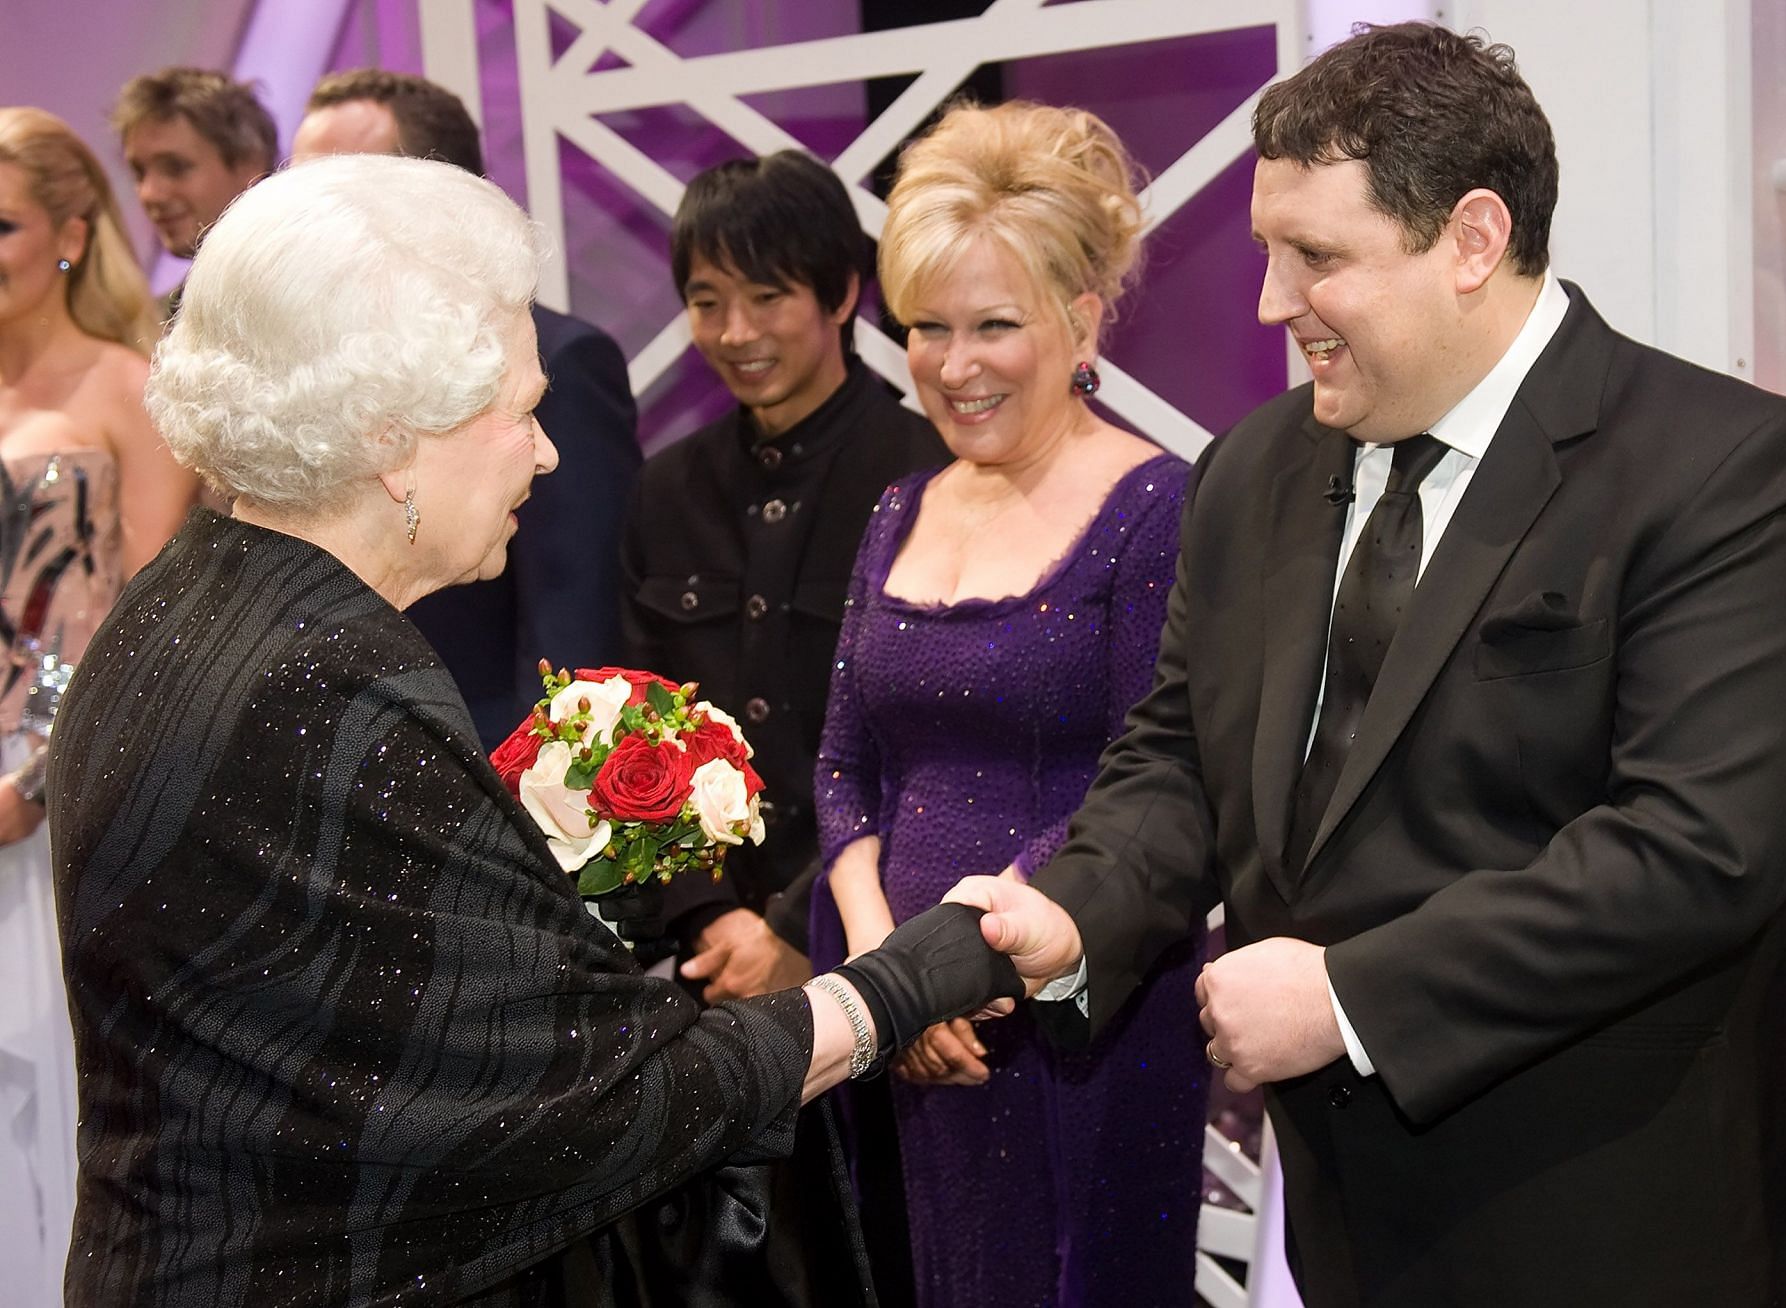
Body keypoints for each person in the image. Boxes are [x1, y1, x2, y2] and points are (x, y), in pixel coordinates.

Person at [952, 23, 1786, 1307]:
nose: (1271, 301)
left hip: (1627, 1233)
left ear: (1473, 241)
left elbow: (1700, 846)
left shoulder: (1720, 467)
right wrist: (1080, 913)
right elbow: (1182, 761)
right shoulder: (1252, 470)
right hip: (1355, 1239)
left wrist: (1351, 998)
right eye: (1272, 251)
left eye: (1316, 257)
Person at [46, 152, 1019, 1307]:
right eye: (523, 410)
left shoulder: (181, 599)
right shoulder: (333, 684)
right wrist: (910, 980)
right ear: (395, 435)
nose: (550, 452)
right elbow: (604, 1101)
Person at [815, 101, 1209, 1307]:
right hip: (893, 1022)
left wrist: (952, 972)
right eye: (928, 328)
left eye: (994, 325)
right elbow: (844, 771)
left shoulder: (1159, 507)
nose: (954, 364)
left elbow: (1152, 782)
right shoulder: (899, 508)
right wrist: (889, 974)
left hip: (1072, 1021)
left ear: (1081, 318)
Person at [619, 147, 945, 1306]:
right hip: (707, 979)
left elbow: (920, 752)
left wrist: (793, 928)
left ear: (843, 294)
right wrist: (710, 920)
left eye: (766, 295)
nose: (734, 330)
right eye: (707, 300)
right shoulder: (665, 489)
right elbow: (630, 735)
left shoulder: (925, 473)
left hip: (879, 955)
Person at [0, 105, 200, 1305]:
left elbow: (150, 622)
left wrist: (30, 777)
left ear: (72, 231)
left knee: (64, 1092)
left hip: (70, 805)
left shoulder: (134, 385)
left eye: (3, 222)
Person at [292, 68, 639, 749]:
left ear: (440, 196)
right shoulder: (316, 381)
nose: (302, 216)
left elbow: (572, 638)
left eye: (337, 189)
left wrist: (529, 807)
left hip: (477, 777)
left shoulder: (560, 364)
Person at [111, 67, 275, 315]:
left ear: (250, 166)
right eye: (139, 173)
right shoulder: (153, 323)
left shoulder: (304, 300)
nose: (149, 194)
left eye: (175, 167)